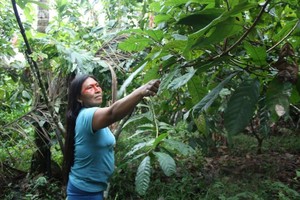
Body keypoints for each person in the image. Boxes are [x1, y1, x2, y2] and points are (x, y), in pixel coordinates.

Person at [63, 74, 160, 200]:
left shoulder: (92, 116)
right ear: (79, 98)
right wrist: (141, 91)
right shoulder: (86, 116)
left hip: (92, 189)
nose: (97, 90)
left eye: (97, 85)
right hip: (85, 193)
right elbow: (112, 113)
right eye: (90, 88)